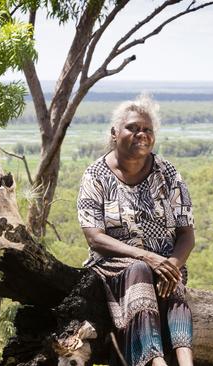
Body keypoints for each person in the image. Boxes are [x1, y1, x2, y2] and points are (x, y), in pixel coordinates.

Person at [77, 95, 195, 366]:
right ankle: (154, 360)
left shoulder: (168, 174)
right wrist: (146, 257)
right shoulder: (95, 176)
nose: (141, 134)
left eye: (147, 129)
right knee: (140, 270)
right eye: (132, 128)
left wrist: (171, 266)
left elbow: (187, 235)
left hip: (162, 262)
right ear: (115, 133)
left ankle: (185, 359)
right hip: (113, 266)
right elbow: (94, 237)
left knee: (171, 278)